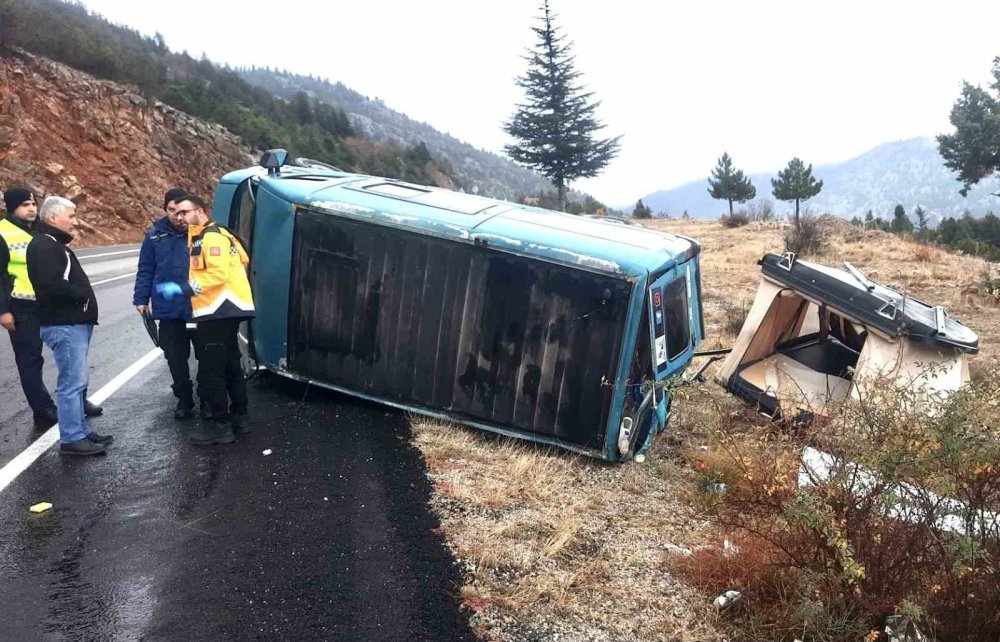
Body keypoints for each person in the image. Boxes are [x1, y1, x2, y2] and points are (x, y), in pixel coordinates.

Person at [158, 194, 254, 446]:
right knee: (231, 364)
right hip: (227, 309)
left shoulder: (212, 237)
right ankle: (239, 418)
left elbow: (218, 273)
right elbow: (243, 259)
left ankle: (219, 426)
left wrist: (183, 289)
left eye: (184, 212)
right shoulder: (216, 234)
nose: (180, 217)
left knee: (211, 370)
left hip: (219, 309)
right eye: (176, 213)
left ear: (199, 211)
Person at [27, 196, 112, 455]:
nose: (75, 221)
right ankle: (72, 438)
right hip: (64, 324)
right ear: (54, 217)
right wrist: (81, 295)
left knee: (77, 381)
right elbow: (50, 284)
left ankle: (81, 431)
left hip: (71, 322)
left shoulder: (53, 243)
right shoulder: (45, 245)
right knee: (71, 383)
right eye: (71, 216)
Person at [133, 188, 201, 420]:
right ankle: (184, 398)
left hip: (200, 306)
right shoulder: (154, 236)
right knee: (174, 356)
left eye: (181, 210)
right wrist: (141, 299)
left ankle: (209, 396)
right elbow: (146, 269)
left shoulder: (202, 234)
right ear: (165, 210)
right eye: (171, 210)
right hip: (169, 309)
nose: (176, 215)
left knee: (208, 355)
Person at [1, 187, 59, 427]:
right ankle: (42, 410)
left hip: (48, 302)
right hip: (20, 306)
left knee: (68, 354)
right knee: (30, 360)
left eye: (34, 204)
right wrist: (3, 311)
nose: (32, 208)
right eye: (26, 204)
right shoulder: (3, 233)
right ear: (12, 207)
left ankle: (75, 401)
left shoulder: (38, 230)